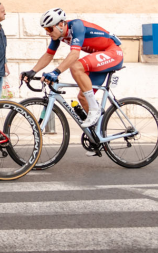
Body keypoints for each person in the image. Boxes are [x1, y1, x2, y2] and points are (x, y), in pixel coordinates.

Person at [21, 9, 123, 152]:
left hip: (112, 52)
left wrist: (56, 72)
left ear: (61, 24)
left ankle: (94, 109)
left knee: (76, 66)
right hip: (99, 55)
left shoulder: (77, 26)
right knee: (82, 96)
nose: (47, 32)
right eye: (45, 29)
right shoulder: (58, 35)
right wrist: (32, 71)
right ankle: (99, 136)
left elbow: (75, 54)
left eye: (49, 28)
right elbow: (49, 55)